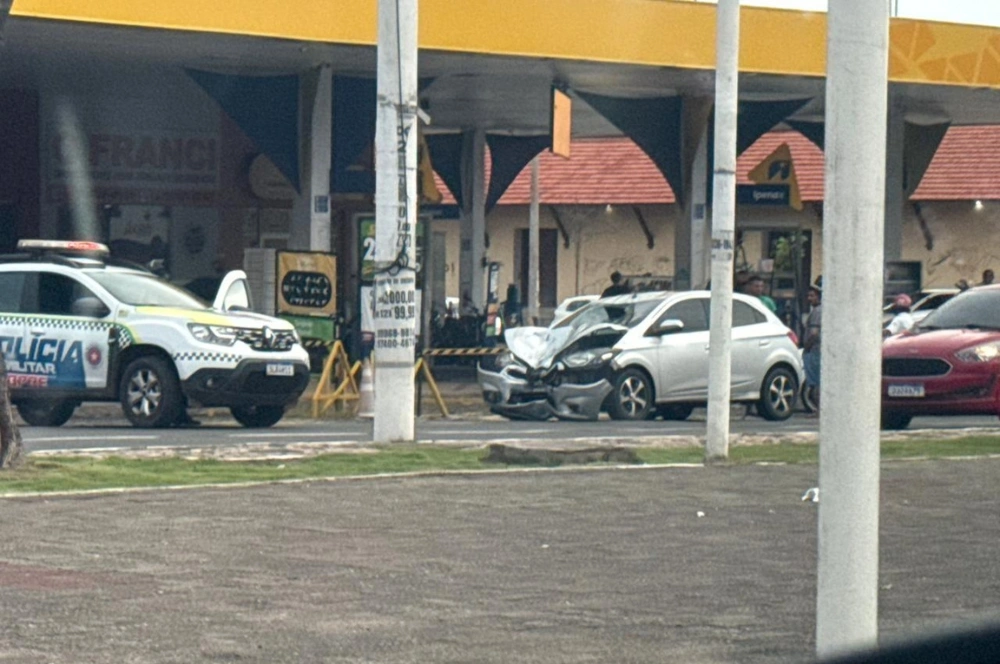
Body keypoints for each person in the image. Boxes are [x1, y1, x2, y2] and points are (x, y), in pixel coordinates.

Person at [802, 285, 822, 414]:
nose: (810, 299)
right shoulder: (820, 311)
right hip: (817, 349)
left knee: (815, 382)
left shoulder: (817, 312)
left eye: (812, 296)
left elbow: (814, 333)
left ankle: (819, 410)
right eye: (808, 296)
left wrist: (806, 348)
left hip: (814, 350)